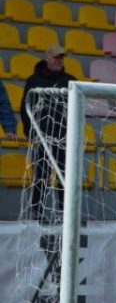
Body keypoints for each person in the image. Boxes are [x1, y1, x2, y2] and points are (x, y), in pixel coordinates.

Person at [20, 45, 75, 221]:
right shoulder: (34, 81)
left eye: (61, 58)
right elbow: (25, 108)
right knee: (41, 174)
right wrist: (31, 133)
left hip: (64, 137)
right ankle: (37, 211)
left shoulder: (70, 81)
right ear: (47, 59)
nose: (59, 61)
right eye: (56, 57)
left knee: (65, 174)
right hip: (41, 136)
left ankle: (65, 212)